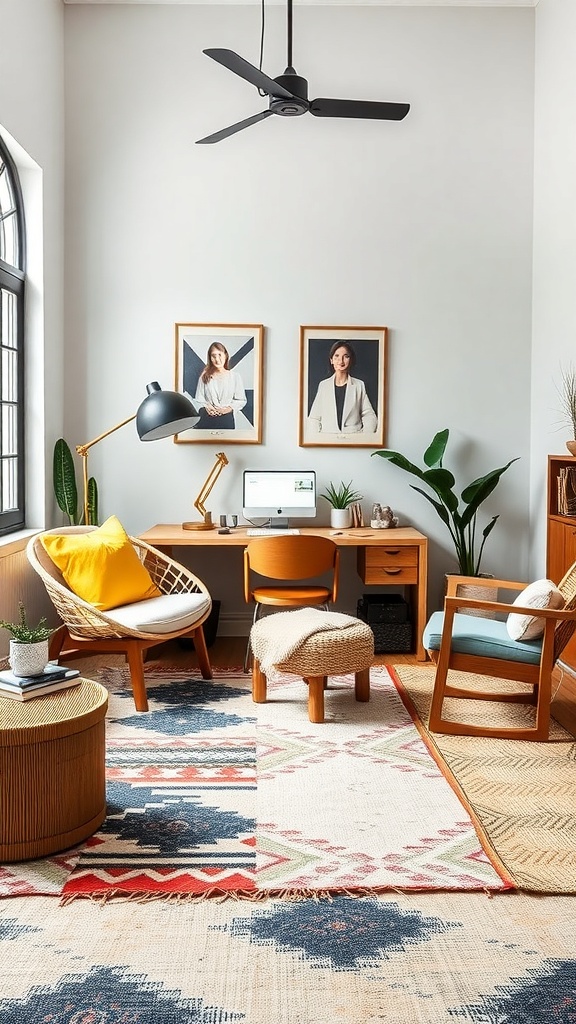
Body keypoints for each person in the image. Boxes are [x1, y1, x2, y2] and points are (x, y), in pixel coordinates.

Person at [307, 341, 378, 435]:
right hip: (328, 439)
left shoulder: (359, 385)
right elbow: (314, 418)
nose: (341, 361)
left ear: (351, 360)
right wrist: (318, 439)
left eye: (346, 356)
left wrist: (363, 437)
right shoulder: (323, 385)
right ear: (331, 360)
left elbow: (369, 416)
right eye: (336, 356)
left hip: (353, 439)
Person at [194, 342, 247, 430]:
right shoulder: (204, 376)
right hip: (207, 419)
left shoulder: (235, 377)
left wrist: (229, 408)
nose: (217, 359)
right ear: (210, 358)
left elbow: (241, 400)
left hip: (226, 420)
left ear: (225, 356)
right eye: (213, 356)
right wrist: (207, 407)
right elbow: (198, 399)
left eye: (220, 355)